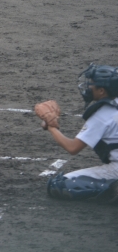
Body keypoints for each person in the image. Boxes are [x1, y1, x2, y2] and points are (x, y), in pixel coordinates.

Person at [44, 64, 118, 203]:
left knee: (60, 185)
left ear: (101, 91)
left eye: (92, 84)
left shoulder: (102, 116)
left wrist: (51, 127)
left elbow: (73, 147)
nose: (88, 87)